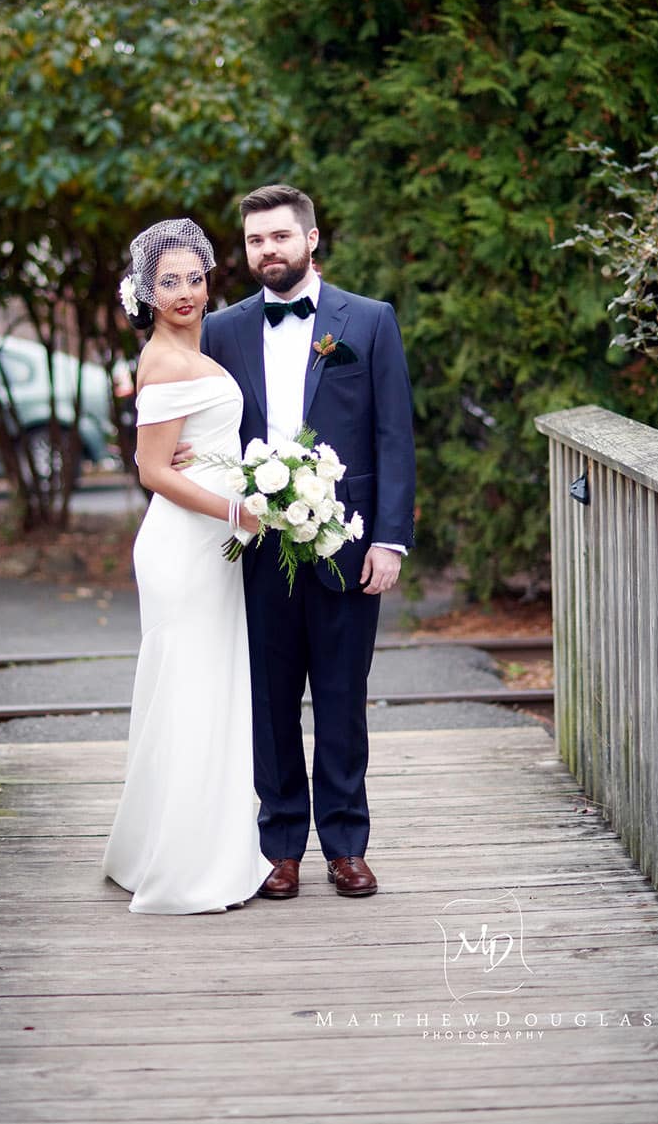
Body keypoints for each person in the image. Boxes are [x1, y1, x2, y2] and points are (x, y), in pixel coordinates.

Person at [196, 184, 416, 900]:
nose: (268, 250)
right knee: (270, 700)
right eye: (256, 240)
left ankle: (347, 844)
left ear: (311, 238)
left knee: (343, 699)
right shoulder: (222, 330)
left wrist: (390, 539)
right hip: (258, 548)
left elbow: (394, 437)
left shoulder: (370, 321)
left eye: (280, 237)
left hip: (347, 546)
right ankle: (280, 844)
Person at [102, 218, 271, 915]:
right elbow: (150, 469)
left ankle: (173, 844)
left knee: (202, 688)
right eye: (168, 281)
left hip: (211, 544)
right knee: (193, 690)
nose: (184, 292)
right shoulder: (164, 358)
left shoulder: (198, 345)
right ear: (146, 290)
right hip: (187, 544)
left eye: (194, 278)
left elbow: (191, 447)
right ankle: (184, 861)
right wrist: (236, 512)